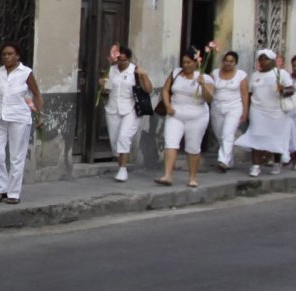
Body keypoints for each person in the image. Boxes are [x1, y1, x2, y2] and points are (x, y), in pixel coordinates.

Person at [0, 42, 36, 204]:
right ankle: (2, 188)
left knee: (16, 156)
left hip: (19, 117)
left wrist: (40, 116)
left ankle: (14, 192)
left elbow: (36, 94)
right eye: (4, 54)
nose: (6, 57)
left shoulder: (26, 72)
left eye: (10, 54)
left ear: (17, 56)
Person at [154, 49, 209, 188]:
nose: (185, 65)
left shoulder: (204, 77)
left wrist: (203, 85)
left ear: (196, 62)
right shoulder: (176, 73)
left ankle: (192, 177)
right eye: (183, 62)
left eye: (189, 62)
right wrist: (167, 106)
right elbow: (165, 90)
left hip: (197, 116)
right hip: (175, 114)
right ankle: (167, 175)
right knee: (171, 143)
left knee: (193, 147)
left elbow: (209, 98)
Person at [98, 42, 152, 183]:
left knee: (124, 137)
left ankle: (123, 169)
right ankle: (120, 165)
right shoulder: (111, 70)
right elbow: (106, 91)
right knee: (115, 141)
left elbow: (148, 89)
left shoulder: (135, 71)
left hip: (131, 109)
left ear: (129, 59)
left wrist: (144, 75)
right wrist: (102, 85)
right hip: (113, 108)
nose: (121, 63)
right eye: (119, 60)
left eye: (124, 60)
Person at [238, 49, 295, 176]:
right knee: (256, 136)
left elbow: (291, 90)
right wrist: (246, 112)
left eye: (266, 59)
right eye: (261, 59)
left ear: (273, 61)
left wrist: (282, 90)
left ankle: (276, 162)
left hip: (277, 112)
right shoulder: (255, 75)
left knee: (276, 137)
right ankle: (255, 166)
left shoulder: (281, 74)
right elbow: (250, 93)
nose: (263, 62)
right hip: (258, 111)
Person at [207, 50, 246, 172]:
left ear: (235, 63)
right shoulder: (214, 73)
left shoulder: (241, 75)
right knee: (219, 135)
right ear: (223, 61)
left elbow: (245, 95)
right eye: (226, 61)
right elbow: (210, 90)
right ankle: (229, 160)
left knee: (227, 133)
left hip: (234, 107)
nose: (228, 63)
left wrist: (245, 112)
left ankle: (222, 161)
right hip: (217, 107)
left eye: (231, 61)